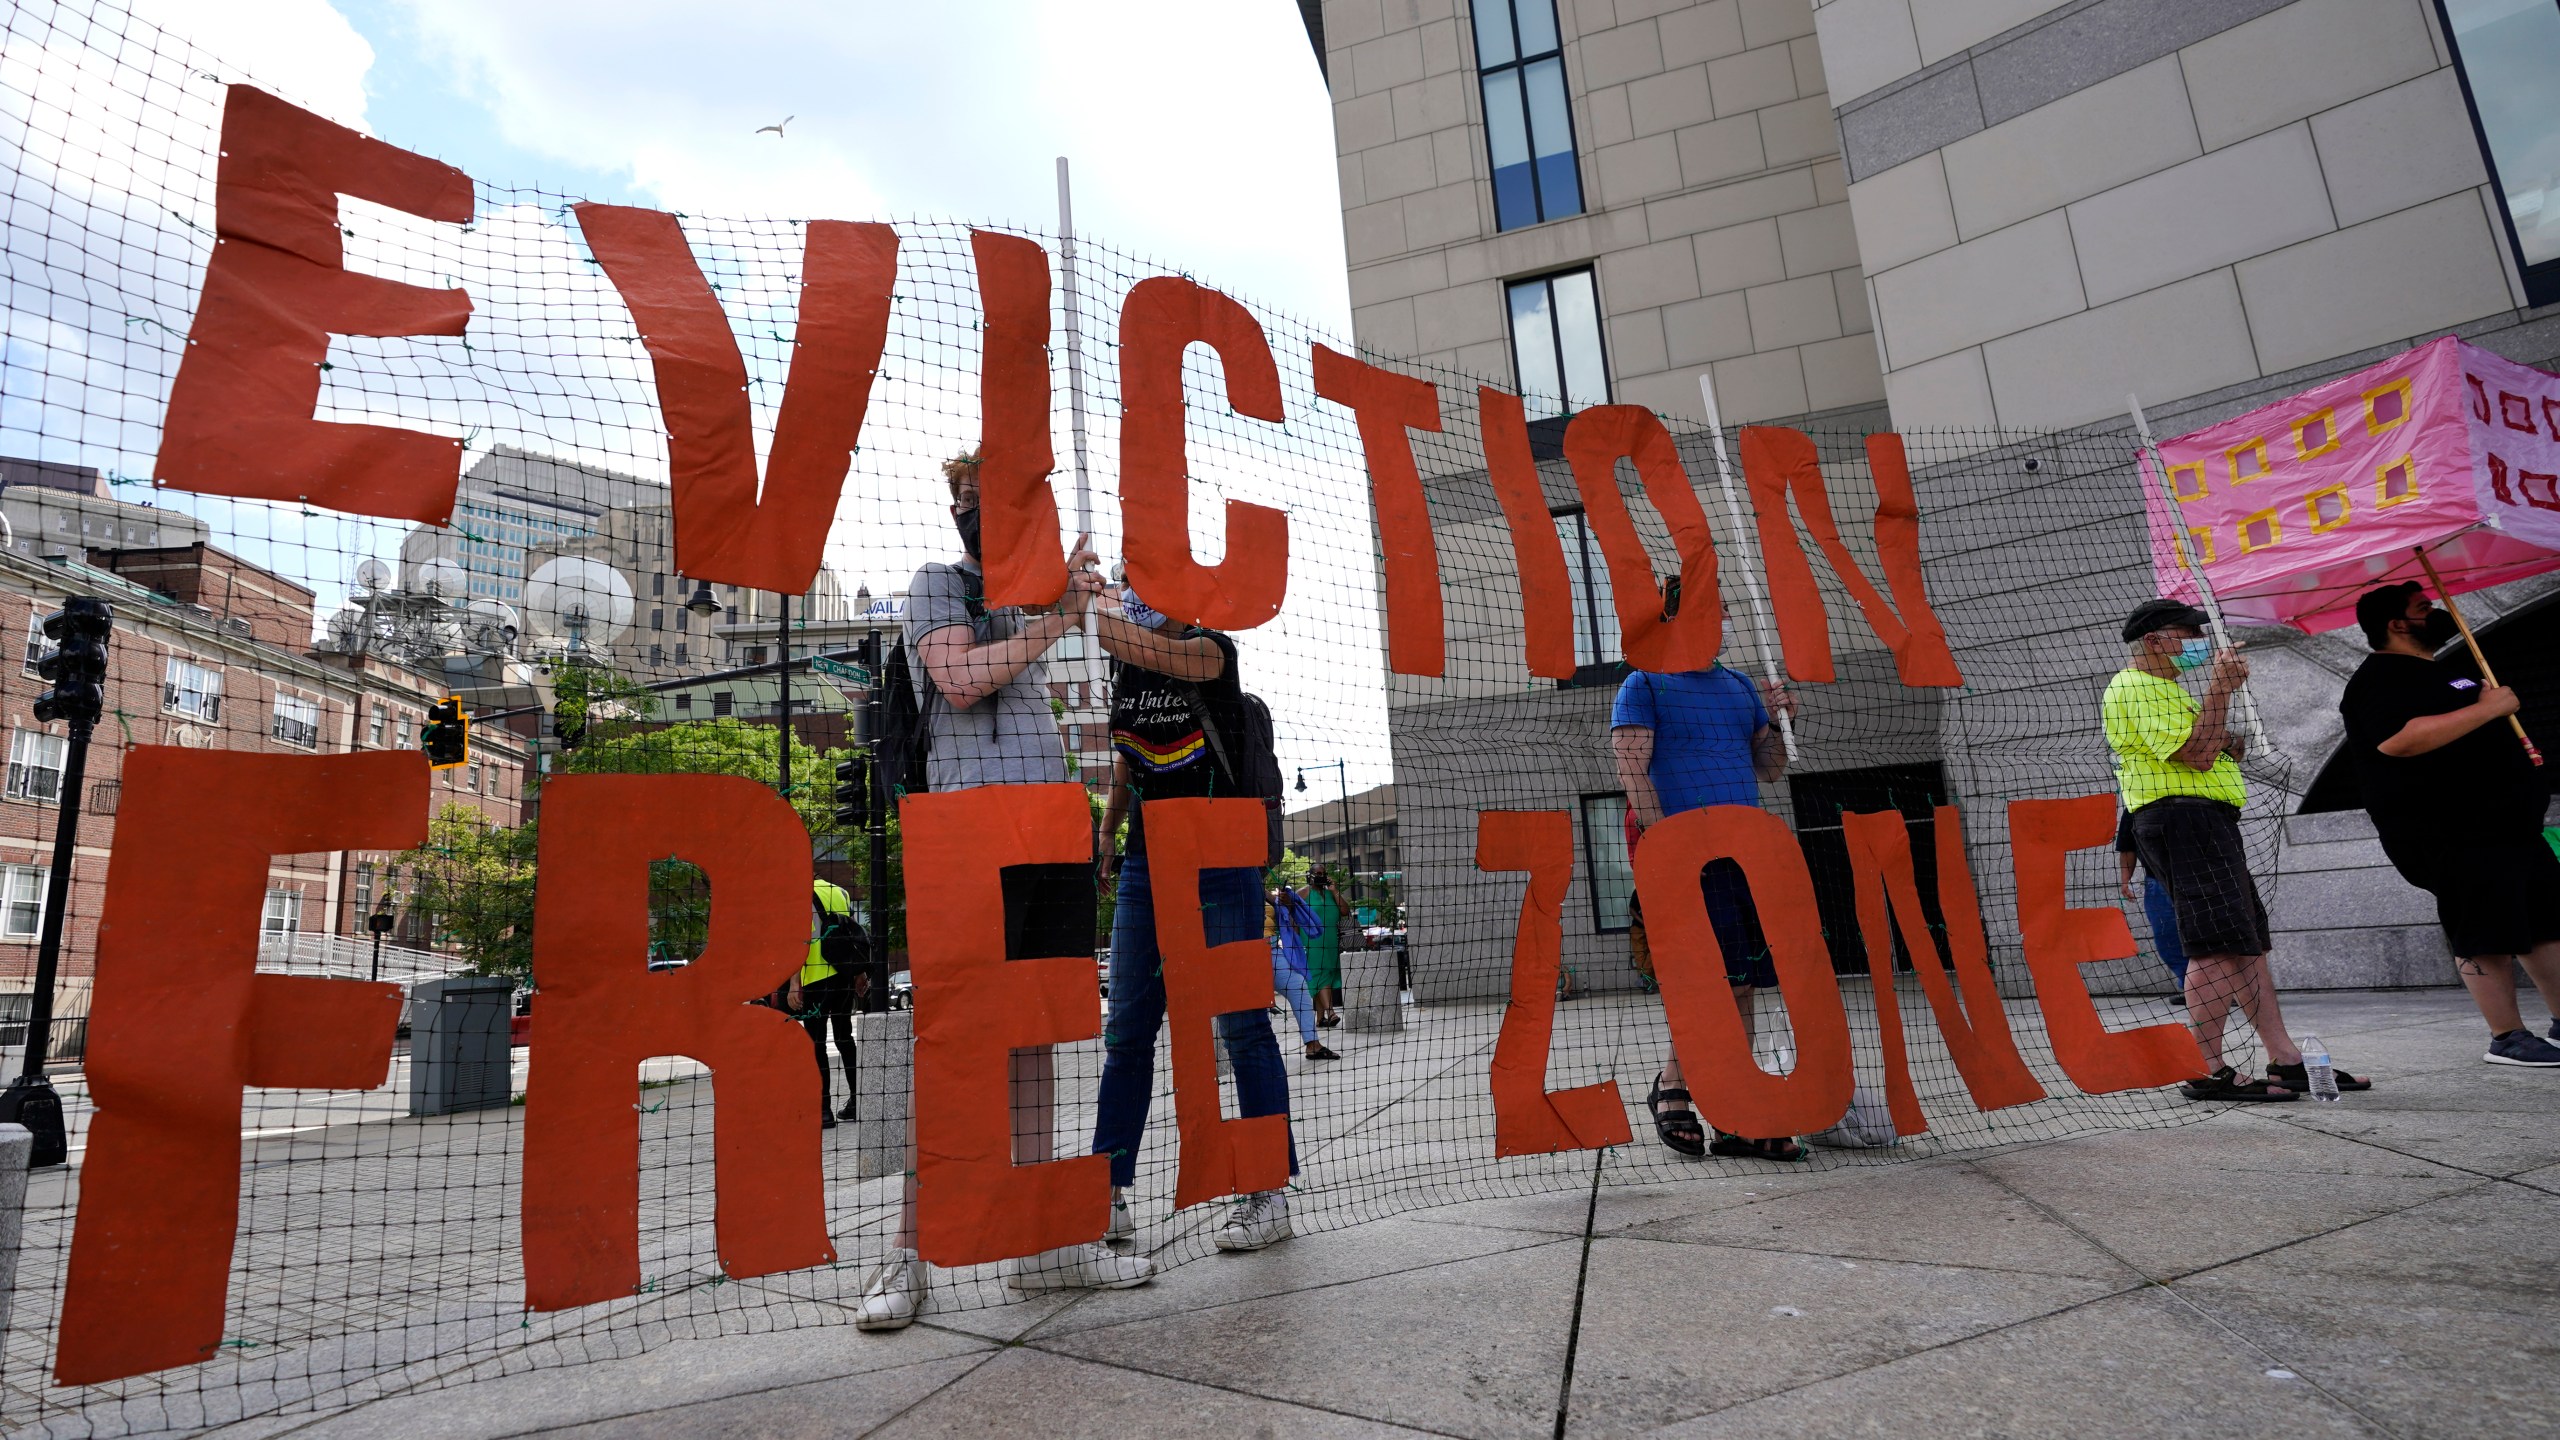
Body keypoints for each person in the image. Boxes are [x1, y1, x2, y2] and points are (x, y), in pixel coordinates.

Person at [858, 452, 1145, 1332]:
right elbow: (959, 678)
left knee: (1038, 1039)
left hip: (1044, 830)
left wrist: (1098, 596)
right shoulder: (938, 583)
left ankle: (1044, 1245)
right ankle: (908, 1255)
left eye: (1012, 500)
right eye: (977, 500)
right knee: (955, 1044)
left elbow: (1117, 640)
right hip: (965, 834)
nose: (990, 515)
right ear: (957, 507)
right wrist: (1056, 620)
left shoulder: (1041, 590)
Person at [1089, 583, 1299, 1254]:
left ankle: (1266, 1192)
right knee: (1127, 1028)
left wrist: (1085, 602)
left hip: (1221, 854)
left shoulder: (1213, 650)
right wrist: (1109, 836)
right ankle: (1108, 1196)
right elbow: (1128, 766)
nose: (1140, 595)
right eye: (1133, 584)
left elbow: (1124, 637)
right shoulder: (1130, 668)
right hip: (1150, 862)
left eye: (1151, 583)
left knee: (1241, 1024)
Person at [2104, 598, 2367, 1102]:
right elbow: (2201, 753)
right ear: (2156, 640)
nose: (2199, 644)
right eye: (2188, 633)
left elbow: (2221, 744)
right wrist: (2220, 690)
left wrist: (2219, 720)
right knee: (2216, 945)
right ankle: (2205, 1068)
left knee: (2247, 944)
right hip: (2184, 817)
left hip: (2205, 818)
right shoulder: (2135, 687)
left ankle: (2285, 1058)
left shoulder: (2168, 690)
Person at [1610, 587, 1803, 1162]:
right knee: (1704, 982)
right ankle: (1675, 1084)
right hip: (1682, 857)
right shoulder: (1644, 683)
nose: (1719, 619)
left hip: (1743, 854)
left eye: (1721, 610)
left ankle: (1735, 1110)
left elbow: (1769, 769)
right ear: (1673, 615)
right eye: (1707, 610)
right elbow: (1631, 770)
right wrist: (1670, 849)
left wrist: (1780, 721)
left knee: (1740, 981)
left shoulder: (1741, 686)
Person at [2340, 583, 2560, 1067]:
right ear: (2397, 624)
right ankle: (2507, 1036)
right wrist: (2490, 708)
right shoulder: (2378, 678)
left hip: (2510, 829)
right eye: (2424, 609)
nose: (2436, 613)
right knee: (2483, 928)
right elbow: (2398, 740)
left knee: (2545, 924)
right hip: (2453, 834)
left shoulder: (2446, 673)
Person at [784, 877, 866, 1128]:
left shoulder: (797, 895)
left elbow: (799, 941)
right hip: (843, 976)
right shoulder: (839, 892)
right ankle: (858, 1101)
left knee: (816, 1044)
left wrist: (794, 983)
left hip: (815, 981)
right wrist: (860, 972)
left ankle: (824, 1110)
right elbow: (853, 933)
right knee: (844, 1038)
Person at [2115, 809, 2189, 991]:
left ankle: (2215, 987)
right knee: (2168, 937)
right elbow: (2127, 846)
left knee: (2207, 933)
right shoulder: (2135, 805)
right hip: (2157, 880)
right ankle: (2190, 985)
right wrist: (2126, 880)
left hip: (2196, 876)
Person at [1270, 882, 1335, 1061]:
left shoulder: (1261, 888)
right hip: (1246, 953)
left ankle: (1312, 1044)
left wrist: (1286, 901)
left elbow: (1285, 911)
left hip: (1272, 949)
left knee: (1300, 988)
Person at [1305, 867, 1346, 1025]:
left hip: (1330, 942)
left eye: (1323, 873)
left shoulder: (1330, 894)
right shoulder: (1304, 892)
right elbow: (1293, 912)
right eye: (1318, 873)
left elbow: (1344, 911)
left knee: (1325, 975)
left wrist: (1335, 890)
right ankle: (1331, 1012)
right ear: (1311, 875)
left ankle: (1320, 1018)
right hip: (1312, 941)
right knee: (1319, 975)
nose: (1321, 876)